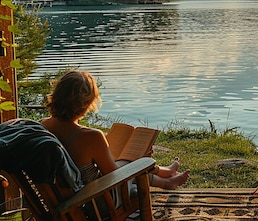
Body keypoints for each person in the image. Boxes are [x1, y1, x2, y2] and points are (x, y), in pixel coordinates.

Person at [41, 70, 190, 190]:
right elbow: (115, 177)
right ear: (87, 103)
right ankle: (166, 179)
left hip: (63, 197)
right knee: (129, 162)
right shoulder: (91, 137)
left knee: (127, 160)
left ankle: (166, 174)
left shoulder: (40, 127)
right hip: (92, 201)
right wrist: (138, 161)